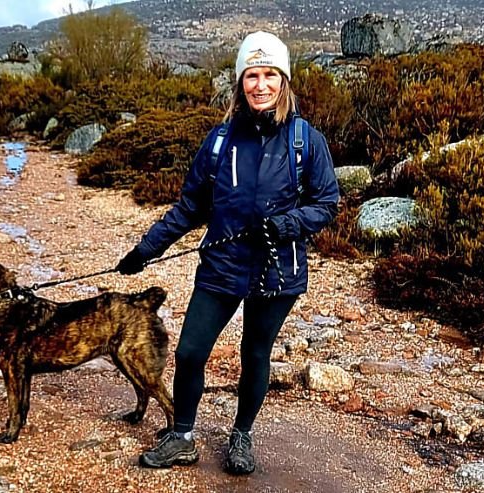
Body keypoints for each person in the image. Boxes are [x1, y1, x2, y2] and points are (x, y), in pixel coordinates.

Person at [116, 31, 340, 474]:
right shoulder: (219, 142)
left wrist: (287, 224)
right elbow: (189, 208)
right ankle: (181, 436)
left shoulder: (305, 141)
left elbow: (326, 202)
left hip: (278, 271)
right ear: (240, 83)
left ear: (284, 80)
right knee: (190, 352)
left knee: (255, 355)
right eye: (251, 75)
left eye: (269, 75)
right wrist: (144, 250)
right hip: (222, 267)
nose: (261, 85)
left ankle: (242, 435)